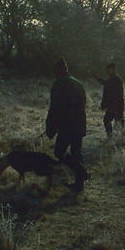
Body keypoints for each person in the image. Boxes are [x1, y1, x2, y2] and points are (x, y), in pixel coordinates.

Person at [46, 57, 89, 192]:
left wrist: (50, 127)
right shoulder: (78, 83)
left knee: (59, 152)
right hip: (80, 123)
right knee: (76, 152)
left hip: (67, 125)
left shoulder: (58, 84)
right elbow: (84, 104)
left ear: (58, 70)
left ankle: (82, 172)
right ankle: (79, 184)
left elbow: (55, 108)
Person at [93, 63, 125, 139]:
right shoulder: (113, 78)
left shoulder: (115, 79)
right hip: (116, 105)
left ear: (113, 70)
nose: (107, 71)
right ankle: (121, 139)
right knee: (118, 122)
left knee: (108, 121)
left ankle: (111, 138)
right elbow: (106, 85)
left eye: (109, 69)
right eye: (107, 70)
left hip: (115, 105)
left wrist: (106, 104)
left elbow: (107, 87)